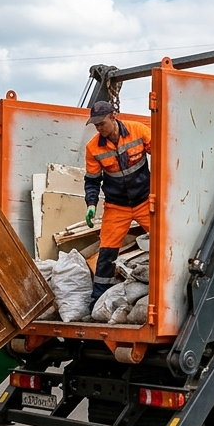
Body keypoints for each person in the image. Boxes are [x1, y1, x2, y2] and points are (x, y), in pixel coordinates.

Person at [82, 100, 154, 301]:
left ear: (113, 116)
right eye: (95, 125)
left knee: (163, 241)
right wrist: (90, 205)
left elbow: (164, 154)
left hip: (144, 201)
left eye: (101, 123)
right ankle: (99, 301)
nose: (99, 128)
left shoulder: (138, 131)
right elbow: (92, 181)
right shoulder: (93, 148)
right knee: (106, 252)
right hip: (117, 206)